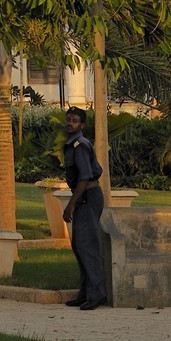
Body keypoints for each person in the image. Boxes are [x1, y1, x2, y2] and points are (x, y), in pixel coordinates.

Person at [62, 106, 108, 310]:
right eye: (68, 119)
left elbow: (85, 177)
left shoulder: (80, 145)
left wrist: (70, 205)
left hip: (88, 196)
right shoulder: (72, 144)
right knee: (79, 246)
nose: (69, 123)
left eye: (74, 121)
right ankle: (85, 292)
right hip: (83, 196)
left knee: (87, 246)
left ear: (82, 125)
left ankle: (97, 294)